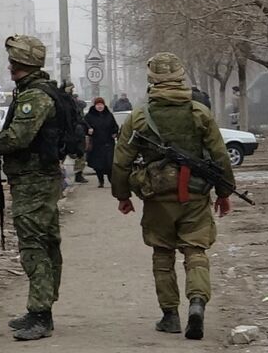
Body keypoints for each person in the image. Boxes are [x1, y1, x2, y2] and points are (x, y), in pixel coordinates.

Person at [112, 52, 234, 340]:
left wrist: (122, 195)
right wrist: (224, 192)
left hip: (157, 198)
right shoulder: (199, 113)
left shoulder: (139, 116)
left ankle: (169, 316)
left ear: (151, 80)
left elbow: (121, 161)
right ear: (181, 77)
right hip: (195, 195)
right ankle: (197, 303)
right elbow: (220, 156)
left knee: (162, 252)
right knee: (196, 251)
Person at [0, 34, 62, 341]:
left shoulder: (34, 97)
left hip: (34, 182)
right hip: (40, 180)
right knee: (47, 243)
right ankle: (42, 309)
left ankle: (41, 314)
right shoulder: (34, 91)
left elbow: (17, 137)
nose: (9, 65)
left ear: (22, 63)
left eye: (12, 60)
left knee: (34, 245)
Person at [85, 97, 119, 188]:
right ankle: (101, 181)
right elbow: (83, 126)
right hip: (96, 144)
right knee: (98, 165)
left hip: (108, 143)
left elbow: (115, 126)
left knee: (109, 164)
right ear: (95, 106)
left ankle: (112, 181)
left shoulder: (109, 115)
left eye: (101, 104)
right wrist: (88, 130)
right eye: (98, 105)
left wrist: (115, 133)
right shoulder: (89, 116)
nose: (100, 106)